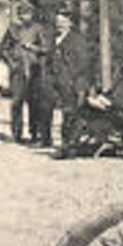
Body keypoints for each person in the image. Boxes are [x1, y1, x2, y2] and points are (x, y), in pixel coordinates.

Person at [61, 60, 123, 155]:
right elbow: (110, 94)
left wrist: (108, 104)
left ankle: (71, 144)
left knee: (85, 113)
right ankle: (70, 143)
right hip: (113, 110)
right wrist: (100, 99)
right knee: (83, 109)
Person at [42, 8, 89, 148]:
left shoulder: (77, 39)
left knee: (68, 111)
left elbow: (82, 62)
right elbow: (49, 57)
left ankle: (67, 141)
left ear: (70, 23)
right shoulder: (53, 38)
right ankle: (45, 139)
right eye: (58, 22)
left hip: (68, 80)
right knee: (45, 107)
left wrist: (69, 76)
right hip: (52, 78)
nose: (60, 24)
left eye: (63, 22)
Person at [3, 3, 46, 144]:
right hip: (18, 70)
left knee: (34, 102)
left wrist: (33, 48)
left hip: (34, 69)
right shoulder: (12, 29)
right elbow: (4, 48)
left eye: (27, 13)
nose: (25, 16)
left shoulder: (38, 29)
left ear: (32, 14)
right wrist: (11, 63)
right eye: (22, 13)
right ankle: (16, 133)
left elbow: (45, 48)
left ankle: (35, 133)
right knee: (16, 102)